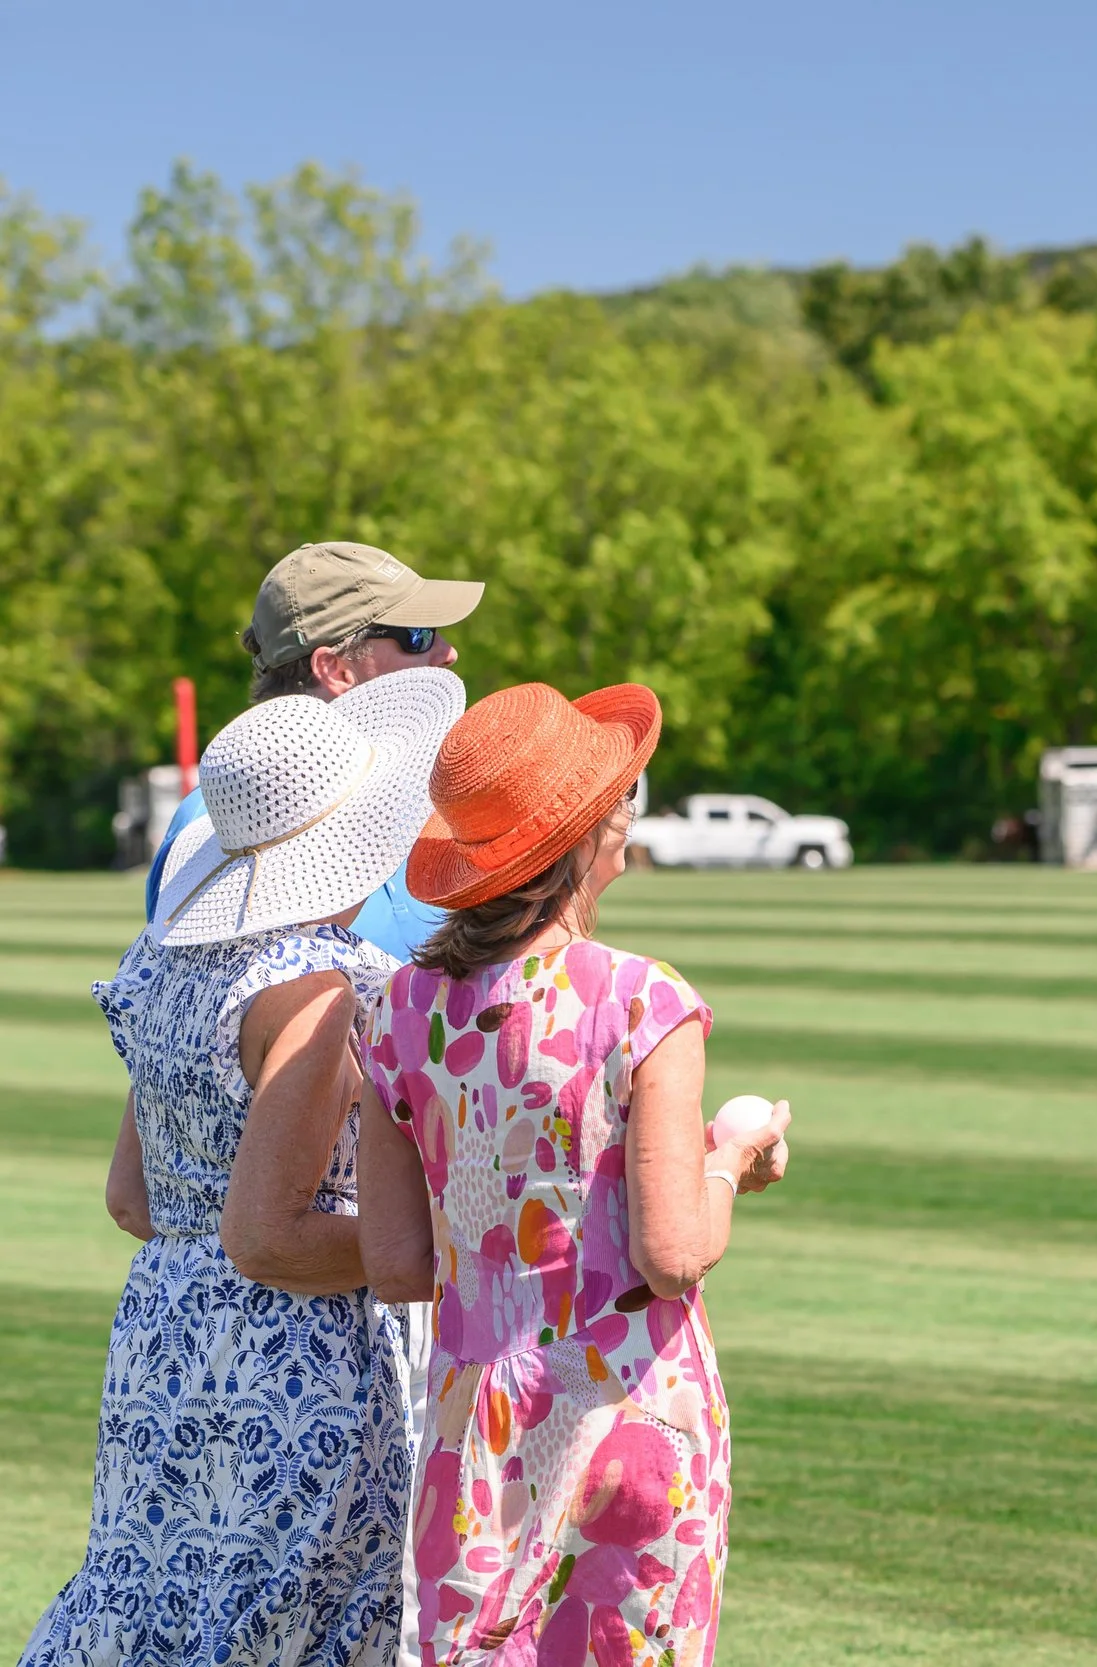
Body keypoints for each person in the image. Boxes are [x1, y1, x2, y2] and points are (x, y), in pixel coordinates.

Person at [22, 668, 467, 1666]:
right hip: (299, 1360)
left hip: (166, 1340)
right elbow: (268, 1237)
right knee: (296, 1616)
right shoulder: (312, 993)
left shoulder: (167, 960)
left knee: (154, 1602)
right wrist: (437, 1244)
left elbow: (131, 1198)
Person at [353, 681, 792, 1667]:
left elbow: (393, 1263)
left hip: (477, 1433)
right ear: (587, 837)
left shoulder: (394, 1011)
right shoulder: (640, 997)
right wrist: (729, 1157)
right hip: (628, 1418)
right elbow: (674, 1253)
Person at [146, 540, 481, 961]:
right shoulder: (212, 824)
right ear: (336, 669)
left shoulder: (442, 792)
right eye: (417, 636)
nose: (448, 652)